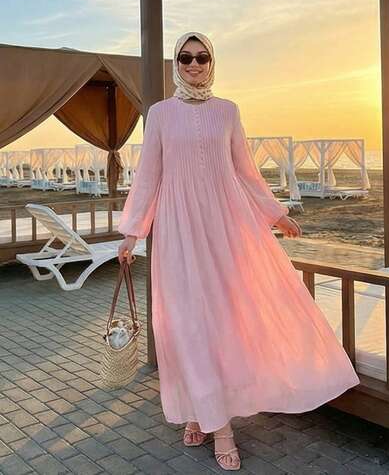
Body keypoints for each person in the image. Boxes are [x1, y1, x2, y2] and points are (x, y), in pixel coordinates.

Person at [118, 31, 360, 471]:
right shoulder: (160, 113)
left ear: (212, 62)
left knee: (222, 322)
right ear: (176, 63)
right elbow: (149, 175)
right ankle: (209, 419)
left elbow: (245, 171)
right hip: (178, 228)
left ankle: (209, 415)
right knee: (188, 324)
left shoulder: (228, 110)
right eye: (186, 57)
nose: (194, 64)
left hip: (225, 226)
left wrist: (276, 214)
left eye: (202, 57)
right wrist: (132, 232)